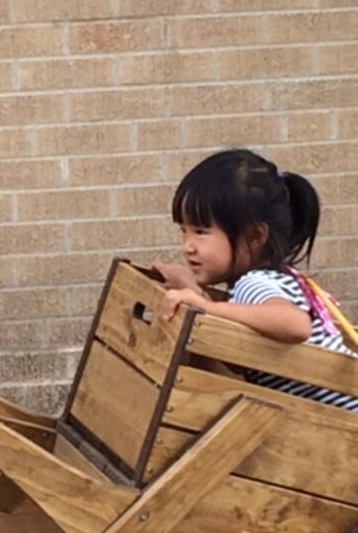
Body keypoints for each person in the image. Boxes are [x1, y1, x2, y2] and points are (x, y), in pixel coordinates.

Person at [153, 148, 358, 411]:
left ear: (255, 236)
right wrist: (193, 290)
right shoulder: (280, 279)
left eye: (200, 231)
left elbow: (295, 324)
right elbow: (241, 356)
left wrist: (207, 307)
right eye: (184, 231)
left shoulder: (254, 283)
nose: (187, 246)